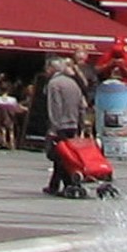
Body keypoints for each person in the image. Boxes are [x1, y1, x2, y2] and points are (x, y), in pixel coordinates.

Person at [40, 55, 86, 196]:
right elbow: (82, 105)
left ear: (52, 68)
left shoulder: (54, 84)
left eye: (47, 68)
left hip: (61, 125)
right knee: (65, 156)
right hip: (73, 124)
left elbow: (55, 106)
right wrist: (80, 124)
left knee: (60, 156)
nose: (46, 71)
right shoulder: (73, 83)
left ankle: (68, 184)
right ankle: (55, 185)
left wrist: (53, 127)